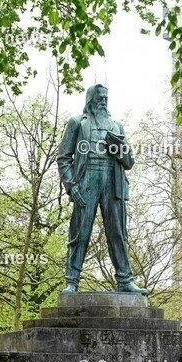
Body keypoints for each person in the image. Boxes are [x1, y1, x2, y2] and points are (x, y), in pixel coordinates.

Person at [57, 84, 146, 294]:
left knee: (118, 233)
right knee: (80, 233)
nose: (103, 101)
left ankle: (125, 280)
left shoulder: (117, 126)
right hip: (86, 181)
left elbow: (129, 162)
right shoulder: (77, 123)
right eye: (99, 98)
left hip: (113, 183)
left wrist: (118, 147)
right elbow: (63, 158)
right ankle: (72, 281)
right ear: (90, 100)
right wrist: (71, 186)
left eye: (106, 97)